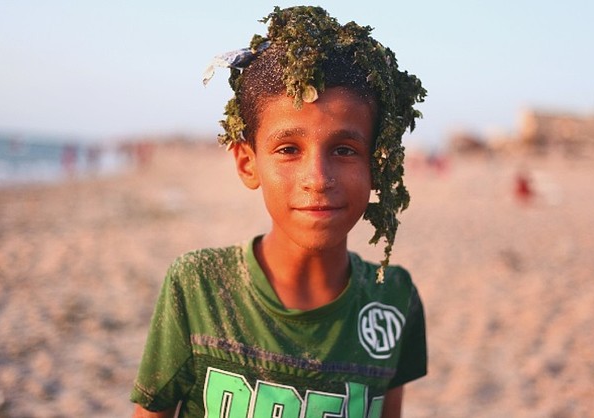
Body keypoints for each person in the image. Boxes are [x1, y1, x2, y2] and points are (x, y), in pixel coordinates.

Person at [130, 6, 427, 418]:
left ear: (379, 164)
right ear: (247, 164)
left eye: (345, 150)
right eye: (289, 149)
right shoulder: (197, 288)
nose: (318, 178)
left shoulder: (393, 300)